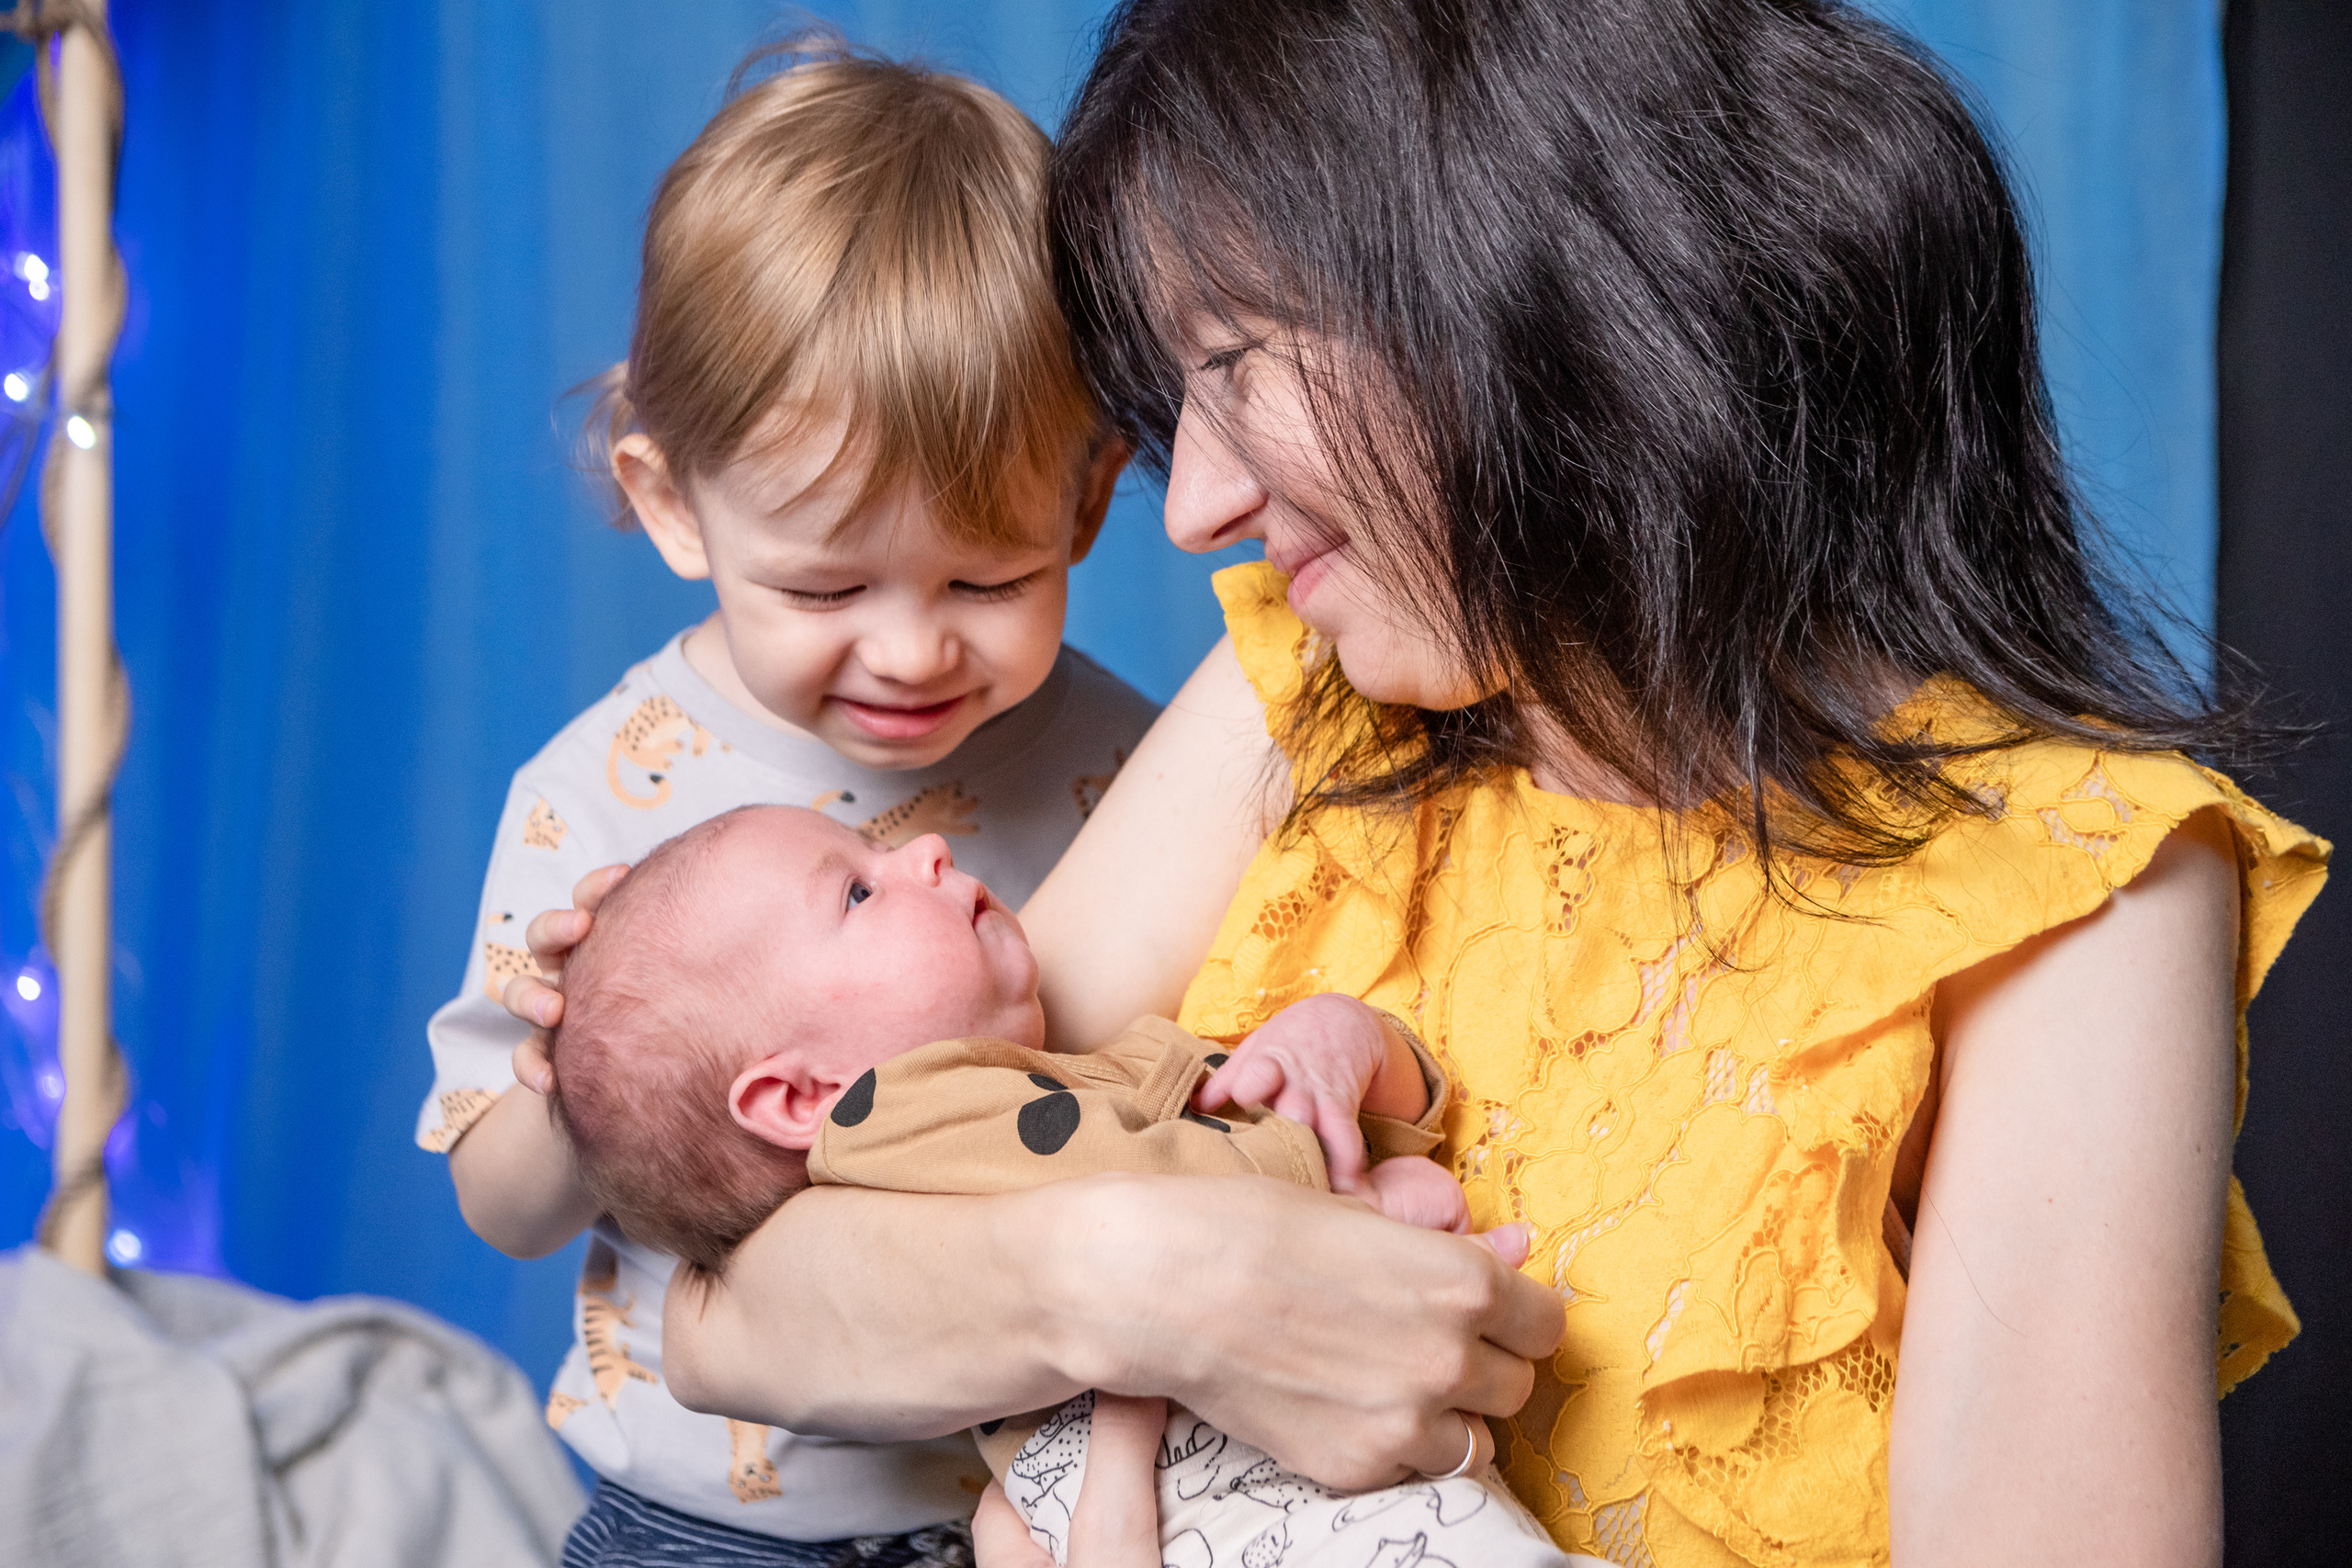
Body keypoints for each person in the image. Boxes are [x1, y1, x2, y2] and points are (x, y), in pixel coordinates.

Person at [505, 3, 2332, 1564]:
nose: (1194, 504)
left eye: (1229, 365)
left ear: (1538, 291)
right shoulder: (1305, 694)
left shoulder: (2069, 890)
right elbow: (749, 1298)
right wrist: (1158, 1287)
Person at [415, 41, 1155, 1568]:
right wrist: (566, 1073)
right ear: (675, 503)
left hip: (1023, 1511)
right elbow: (506, 1206)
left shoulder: (1123, 768)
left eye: (988, 578)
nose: (908, 647)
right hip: (700, 1522)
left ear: (1088, 496)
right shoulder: (600, 798)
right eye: (824, 584)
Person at [533, 802, 1589, 1568]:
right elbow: (1165, 1184)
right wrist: (1342, 1183)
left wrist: (1341, 1055)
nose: (927, 850)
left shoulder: (1046, 1090)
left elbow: (1205, 1125)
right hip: (1225, 1510)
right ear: (803, 1095)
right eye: (859, 890)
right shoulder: (900, 1120)